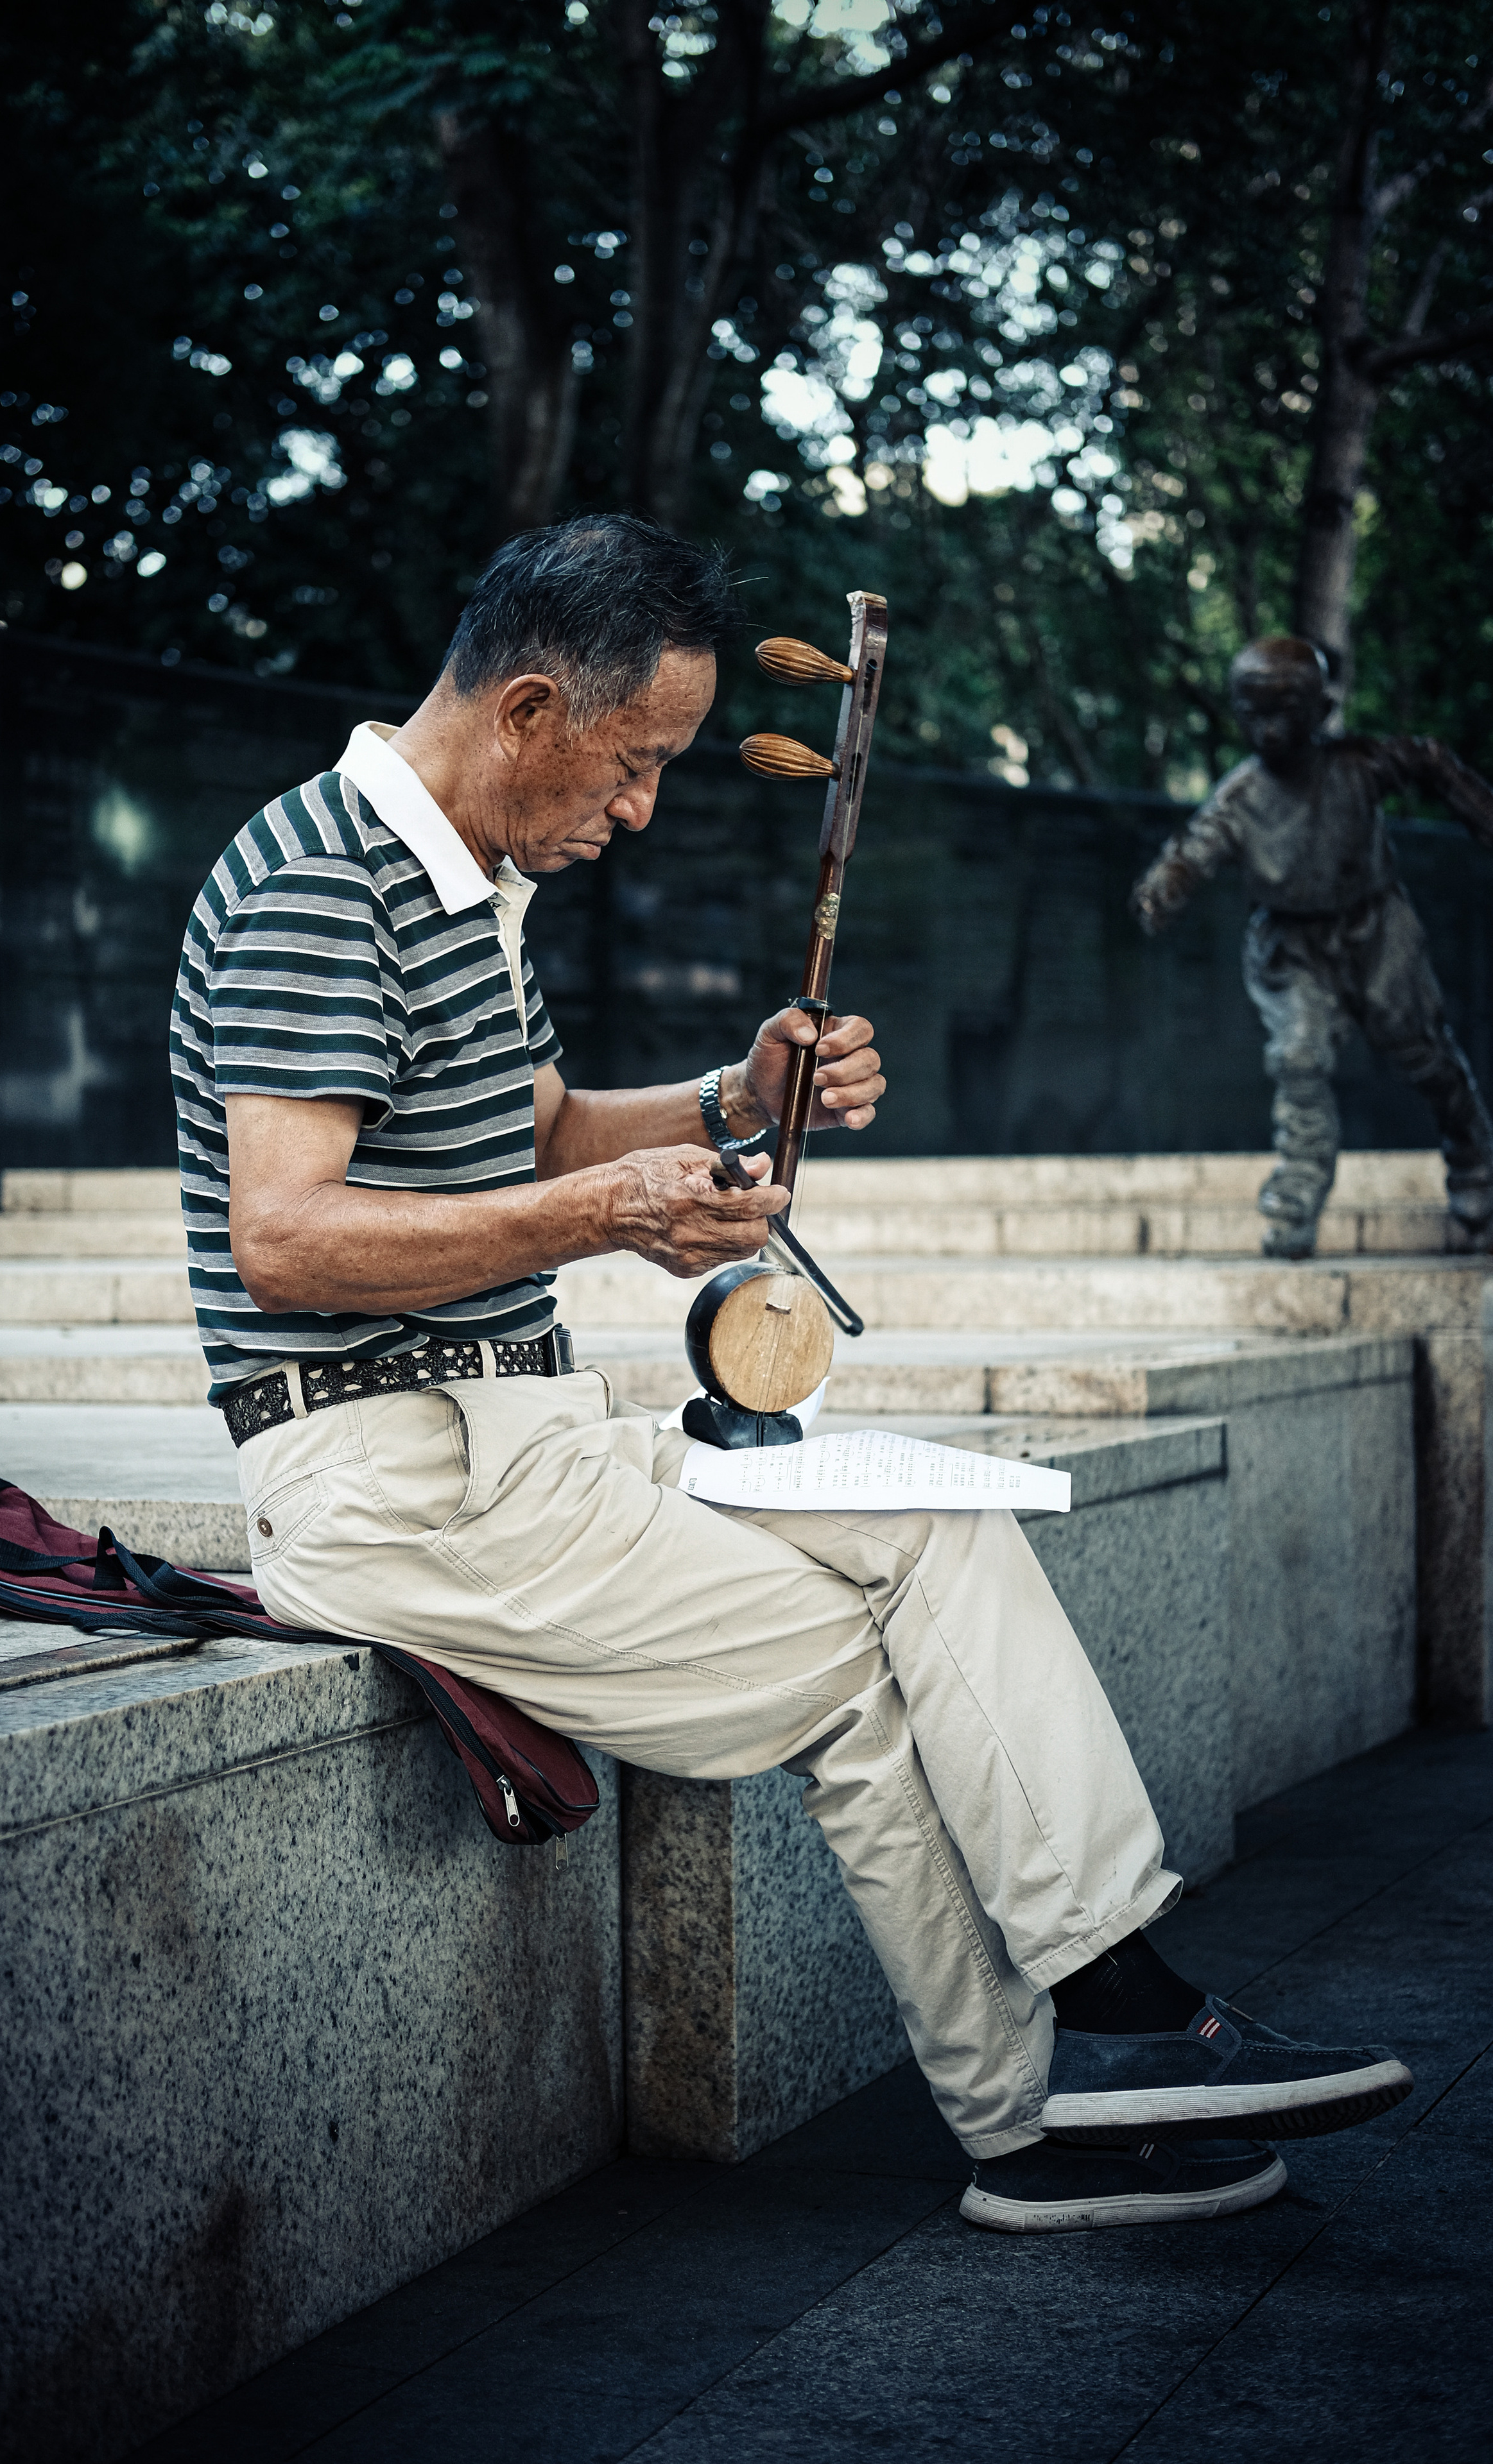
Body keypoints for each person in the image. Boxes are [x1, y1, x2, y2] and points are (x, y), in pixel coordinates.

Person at [172, 518, 1411, 2234]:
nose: (642, 809)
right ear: (531, 709)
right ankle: (1046, 2106)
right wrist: (608, 1213)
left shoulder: (470, 883)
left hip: (528, 1449)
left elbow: (529, 1137)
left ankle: (1123, 1999)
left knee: (929, 1528)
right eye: (636, 763)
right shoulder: (323, 878)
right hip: (401, 1481)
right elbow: (287, 1240)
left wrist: (727, 1101)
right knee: (861, 1668)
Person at [1131, 634, 1493, 1258]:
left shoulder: (1356, 765)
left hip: (1374, 929)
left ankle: (1475, 1163)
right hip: (1289, 944)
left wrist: (1477, 809)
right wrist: (1164, 888)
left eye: (1287, 712)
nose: (1269, 729)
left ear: (1320, 712)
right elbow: (1197, 846)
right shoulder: (1241, 796)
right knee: (1298, 1057)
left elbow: (1430, 762)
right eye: (1254, 712)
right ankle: (1295, 1201)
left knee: (1423, 1052)